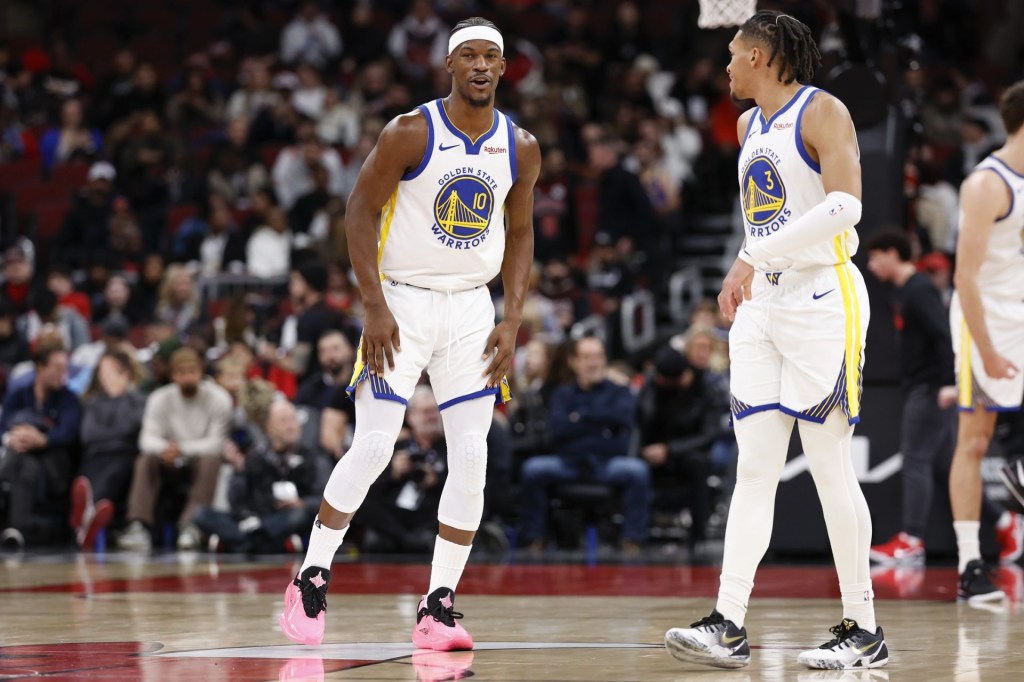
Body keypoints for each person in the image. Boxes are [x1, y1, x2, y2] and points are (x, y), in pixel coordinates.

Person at [279, 17, 540, 652]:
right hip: (401, 301)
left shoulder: (522, 146)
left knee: (472, 460)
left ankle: (438, 605)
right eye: (469, 56)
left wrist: (511, 317)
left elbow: (523, 232)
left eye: (491, 57)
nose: (480, 66)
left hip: (473, 311)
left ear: (504, 69)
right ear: (449, 66)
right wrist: (372, 304)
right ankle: (311, 573)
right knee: (372, 447)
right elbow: (358, 211)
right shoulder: (410, 131)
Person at [663, 12, 887, 671]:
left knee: (827, 467)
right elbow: (773, 217)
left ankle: (864, 628)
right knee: (754, 468)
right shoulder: (746, 124)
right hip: (766, 300)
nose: (726, 66)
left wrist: (750, 254)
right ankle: (728, 622)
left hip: (824, 296)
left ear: (760, 56)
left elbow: (846, 211)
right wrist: (750, 259)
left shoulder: (823, 112)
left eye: (734, 55)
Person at [865, 230, 1023, 568]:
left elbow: (945, 334)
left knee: (915, 461)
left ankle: (911, 541)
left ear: (893, 253)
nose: (871, 265)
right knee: (948, 467)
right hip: (927, 387)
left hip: (930, 390)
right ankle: (1007, 524)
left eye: (876, 256)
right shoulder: (909, 290)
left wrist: (950, 384)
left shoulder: (919, 290)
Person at [946, 81, 1024, 602]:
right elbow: (965, 278)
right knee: (974, 441)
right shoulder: (987, 184)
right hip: (985, 320)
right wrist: (988, 349)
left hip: (1020, 312)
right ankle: (970, 565)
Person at [518, 336, 649, 553]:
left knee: (638, 471)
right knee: (533, 470)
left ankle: (632, 540)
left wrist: (580, 417)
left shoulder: (619, 391)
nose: (593, 363)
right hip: (570, 463)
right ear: (573, 362)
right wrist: (603, 425)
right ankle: (535, 539)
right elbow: (558, 431)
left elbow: (623, 424)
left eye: (598, 356)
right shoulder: (563, 394)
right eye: (587, 357)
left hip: (608, 462)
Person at [117, 348, 232, 552]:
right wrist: (166, 449)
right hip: (168, 460)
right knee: (145, 460)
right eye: (182, 372)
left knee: (211, 460)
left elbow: (216, 442)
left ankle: (191, 525)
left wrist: (182, 449)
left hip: (198, 459)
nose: (188, 377)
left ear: (201, 371)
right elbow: (146, 439)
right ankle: (139, 526)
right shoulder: (159, 398)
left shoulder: (219, 398)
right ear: (172, 375)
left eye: (192, 371)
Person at [194, 400, 324, 554]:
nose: (291, 426)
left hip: (284, 518)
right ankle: (259, 542)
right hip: (252, 519)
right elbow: (236, 501)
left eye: (294, 420)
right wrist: (239, 471)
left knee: (299, 516)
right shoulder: (254, 456)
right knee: (200, 514)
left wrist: (302, 503)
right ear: (269, 427)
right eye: (284, 421)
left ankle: (245, 542)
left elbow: (323, 499)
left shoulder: (312, 457)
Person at [0, 341, 81, 550]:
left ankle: (15, 526)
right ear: (40, 367)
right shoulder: (18, 395)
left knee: (22, 460)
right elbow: (2, 427)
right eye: (57, 367)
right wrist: (13, 438)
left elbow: (68, 433)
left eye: (65, 368)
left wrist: (43, 439)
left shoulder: (69, 399)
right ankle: (17, 530)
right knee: (25, 462)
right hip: (20, 461)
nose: (62, 374)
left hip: (53, 468)